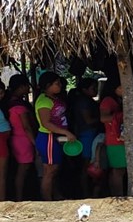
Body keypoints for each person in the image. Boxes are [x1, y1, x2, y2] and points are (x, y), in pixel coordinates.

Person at [34, 72, 74, 201]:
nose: (60, 85)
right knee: (49, 171)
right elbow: (46, 123)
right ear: (48, 85)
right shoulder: (44, 101)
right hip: (48, 137)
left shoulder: (53, 98)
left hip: (55, 137)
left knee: (55, 169)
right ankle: (47, 200)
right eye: (57, 83)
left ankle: (56, 195)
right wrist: (66, 133)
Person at [68, 78, 100, 198]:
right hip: (87, 134)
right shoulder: (83, 102)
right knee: (86, 165)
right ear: (84, 90)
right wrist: (103, 119)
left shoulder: (87, 100)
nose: (96, 90)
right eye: (93, 88)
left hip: (88, 133)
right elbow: (88, 120)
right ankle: (85, 193)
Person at [6, 75, 34, 201]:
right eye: (27, 85)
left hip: (16, 138)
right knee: (22, 170)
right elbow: (27, 127)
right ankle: (19, 198)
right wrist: (34, 142)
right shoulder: (20, 107)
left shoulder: (10, 103)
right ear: (21, 87)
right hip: (23, 140)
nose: (29, 87)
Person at [99, 80, 127, 196]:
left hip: (119, 139)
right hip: (114, 140)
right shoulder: (107, 101)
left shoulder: (117, 100)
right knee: (118, 170)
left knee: (120, 170)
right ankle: (118, 195)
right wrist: (123, 115)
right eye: (121, 87)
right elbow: (103, 118)